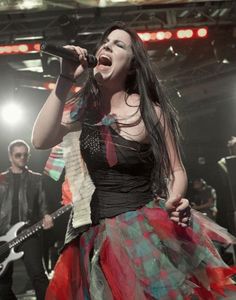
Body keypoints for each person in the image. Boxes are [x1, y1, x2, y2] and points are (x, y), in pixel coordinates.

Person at [32, 23, 236, 299]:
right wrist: (65, 78)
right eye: (104, 42)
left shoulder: (150, 112)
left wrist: (176, 199)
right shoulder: (85, 109)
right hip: (91, 232)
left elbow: (175, 169)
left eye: (118, 45)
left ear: (132, 65)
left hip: (141, 227)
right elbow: (41, 140)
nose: (106, 47)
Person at [0, 139, 53, 300]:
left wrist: (47, 217)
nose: (22, 158)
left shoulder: (37, 179)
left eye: (25, 155)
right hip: (2, 236)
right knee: (2, 283)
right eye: (18, 155)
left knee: (39, 276)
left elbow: (43, 206)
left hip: (29, 233)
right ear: (10, 157)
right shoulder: (0, 180)